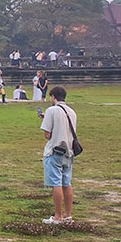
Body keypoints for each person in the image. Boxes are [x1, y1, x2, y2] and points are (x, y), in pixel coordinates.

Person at [38, 86, 78, 225]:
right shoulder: (71, 112)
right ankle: (68, 215)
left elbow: (47, 134)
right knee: (66, 183)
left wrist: (46, 119)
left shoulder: (52, 110)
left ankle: (57, 216)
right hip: (68, 151)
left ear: (53, 96)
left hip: (54, 150)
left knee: (56, 183)